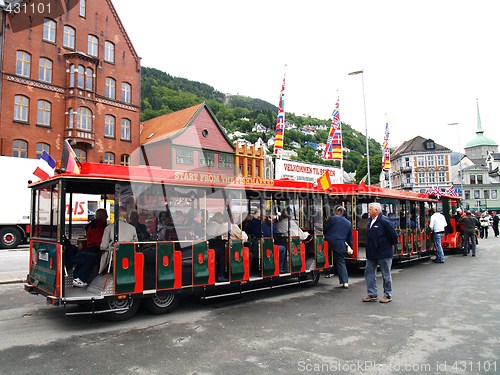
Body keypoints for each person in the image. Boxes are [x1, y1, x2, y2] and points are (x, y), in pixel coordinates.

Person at [363, 202, 398, 303]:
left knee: (386, 274)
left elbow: (394, 236)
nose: (368, 211)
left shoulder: (384, 221)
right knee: (369, 273)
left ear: (376, 211)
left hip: (383, 253)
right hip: (371, 253)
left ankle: (387, 295)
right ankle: (372, 294)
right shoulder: (370, 221)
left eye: (370, 209)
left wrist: (386, 247)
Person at [99, 207, 138, 273]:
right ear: (126, 216)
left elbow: (103, 246)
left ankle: (101, 272)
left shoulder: (109, 228)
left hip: (114, 258)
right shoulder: (132, 228)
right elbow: (136, 243)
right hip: (128, 258)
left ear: (115, 215)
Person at [323, 206, 353, 289]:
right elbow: (349, 238)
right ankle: (345, 281)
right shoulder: (348, 223)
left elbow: (325, 228)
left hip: (329, 241)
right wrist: (350, 247)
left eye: (336, 211)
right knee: (341, 262)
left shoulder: (333, 219)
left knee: (323, 255)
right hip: (340, 243)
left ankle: (327, 269)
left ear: (339, 212)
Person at [206, 212, 228, 282]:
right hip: (211, 246)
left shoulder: (210, 223)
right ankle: (220, 275)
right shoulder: (217, 225)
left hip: (209, 245)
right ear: (219, 218)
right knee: (222, 254)